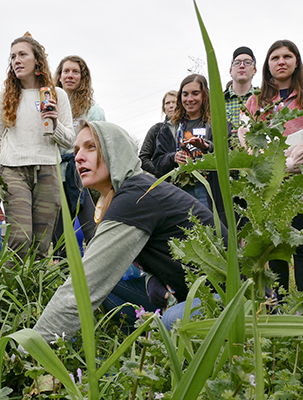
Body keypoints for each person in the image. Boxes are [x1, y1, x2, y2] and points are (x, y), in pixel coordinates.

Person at [33, 120, 227, 342]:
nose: (77, 157)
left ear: (114, 151)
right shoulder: (126, 194)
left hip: (228, 297)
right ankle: (141, 347)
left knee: (173, 321)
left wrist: (32, 348)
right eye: (76, 150)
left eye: (91, 147)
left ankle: (159, 353)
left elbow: (83, 286)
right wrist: (150, 279)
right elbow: (107, 272)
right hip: (188, 294)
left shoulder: (136, 196)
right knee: (111, 282)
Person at [0, 34, 74, 263]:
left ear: (37, 60)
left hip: (48, 170)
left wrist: (54, 124)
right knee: (19, 238)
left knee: (42, 244)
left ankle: (35, 295)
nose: (16, 60)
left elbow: (70, 140)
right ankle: (7, 295)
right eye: (13, 56)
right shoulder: (5, 96)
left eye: (22, 54)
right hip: (13, 170)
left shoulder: (57, 95)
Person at [239, 40, 303, 294]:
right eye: (275, 58)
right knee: (275, 245)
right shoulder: (256, 101)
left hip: (300, 183)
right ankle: (276, 309)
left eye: (287, 56)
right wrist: (274, 162)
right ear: (267, 65)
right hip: (272, 184)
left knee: (300, 242)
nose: (281, 62)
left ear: (296, 61)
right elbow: (245, 138)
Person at [50, 55, 105, 258]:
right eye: (66, 71)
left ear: (83, 77)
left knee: (91, 227)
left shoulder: (93, 110)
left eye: (75, 72)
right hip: (55, 172)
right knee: (60, 234)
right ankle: (64, 279)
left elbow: (100, 142)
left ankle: (97, 271)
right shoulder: (49, 103)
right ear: (60, 76)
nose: (70, 76)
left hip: (82, 175)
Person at [152, 74, 221, 214]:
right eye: (185, 94)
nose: (190, 99)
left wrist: (207, 147)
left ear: (204, 96)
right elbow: (157, 163)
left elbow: (229, 155)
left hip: (208, 191)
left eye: (195, 93)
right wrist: (173, 157)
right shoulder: (169, 128)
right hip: (179, 192)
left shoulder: (217, 124)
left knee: (209, 232)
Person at [139, 91, 178, 176]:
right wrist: (160, 173)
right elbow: (143, 158)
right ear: (164, 108)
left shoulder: (189, 127)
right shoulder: (156, 130)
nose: (171, 106)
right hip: (167, 183)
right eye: (167, 103)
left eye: (174, 102)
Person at [225, 46, 257, 130]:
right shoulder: (218, 102)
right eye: (237, 62)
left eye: (247, 62)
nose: (242, 66)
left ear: (254, 70)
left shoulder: (263, 100)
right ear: (230, 71)